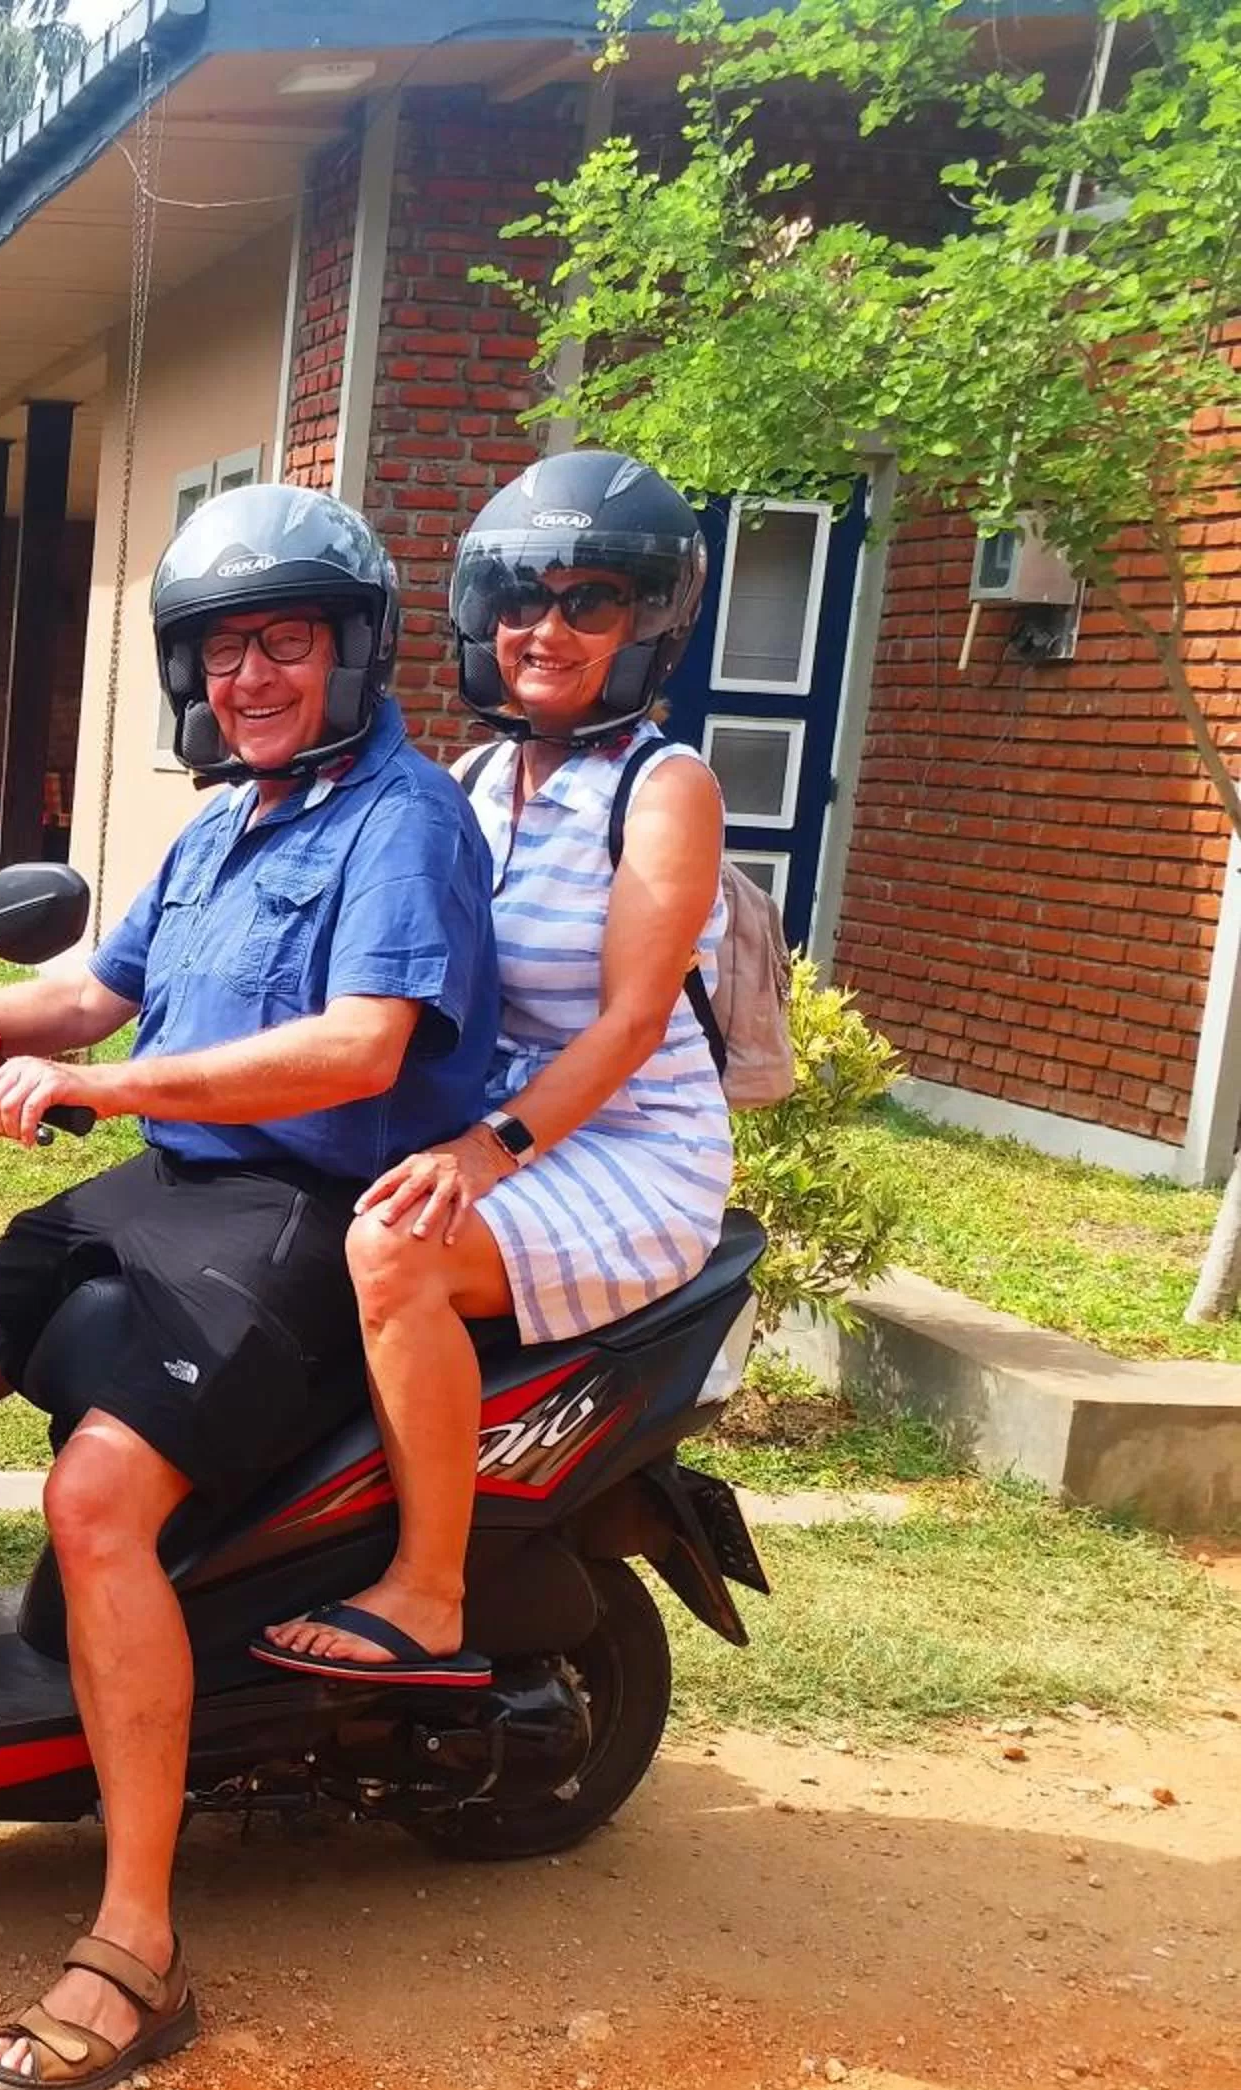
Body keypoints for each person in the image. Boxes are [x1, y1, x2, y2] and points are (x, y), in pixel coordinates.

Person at [0, 485, 499, 2090]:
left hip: (301, 1206)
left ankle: (138, 1938)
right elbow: (99, 989)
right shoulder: (225, 817)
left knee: (94, 1502)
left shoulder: (400, 818)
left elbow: (363, 1045)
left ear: (352, 651)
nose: (252, 678)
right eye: (226, 652)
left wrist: (117, 1081)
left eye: (284, 644)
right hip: (172, 1185)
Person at [255, 450, 734, 1685]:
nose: (547, 631)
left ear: (649, 625)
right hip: (491, 1114)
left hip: (625, 1143)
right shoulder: (472, 779)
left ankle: (427, 1588)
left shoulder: (665, 788)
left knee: (393, 1251)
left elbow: (627, 1028)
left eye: (591, 603)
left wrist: (486, 1151)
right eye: (525, 601)